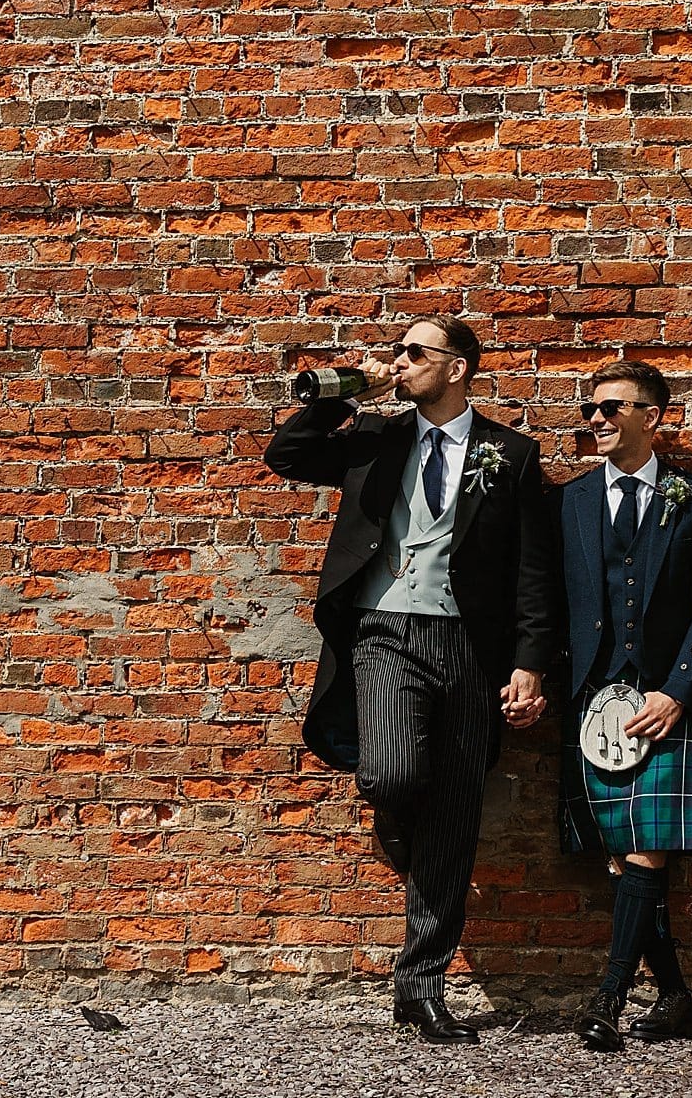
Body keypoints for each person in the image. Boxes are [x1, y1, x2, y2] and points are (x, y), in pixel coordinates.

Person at [263, 317, 560, 1044]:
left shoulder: (510, 454)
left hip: (467, 643)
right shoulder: (378, 437)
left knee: (457, 816)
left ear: (457, 369)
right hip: (382, 629)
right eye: (398, 351)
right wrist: (342, 393)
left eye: (414, 352)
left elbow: (533, 573)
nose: (400, 361)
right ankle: (401, 820)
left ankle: (420, 987)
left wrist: (528, 663)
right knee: (393, 776)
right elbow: (288, 454)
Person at [556, 359, 692, 1051]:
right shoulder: (569, 501)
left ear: (652, 416)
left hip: (661, 699)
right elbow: (546, 599)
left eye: (611, 408)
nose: (595, 420)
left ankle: (605, 998)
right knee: (622, 857)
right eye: (591, 408)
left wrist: (676, 692)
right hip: (590, 699)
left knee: (648, 851)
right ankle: (679, 997)